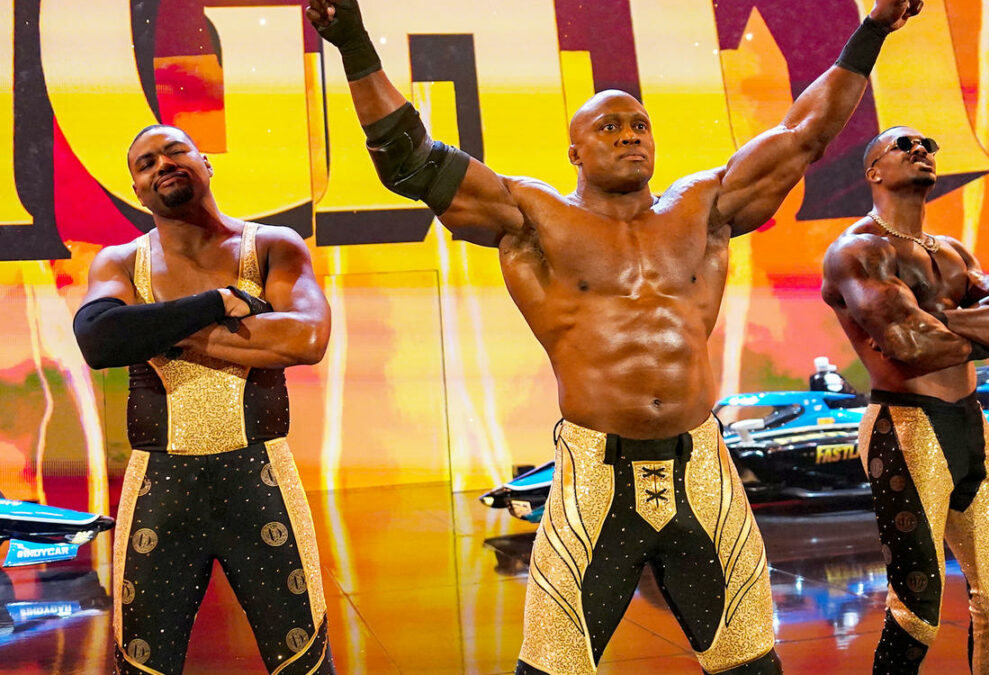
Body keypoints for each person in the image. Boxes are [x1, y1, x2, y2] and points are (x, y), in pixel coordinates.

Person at [307, 1, 921, 672]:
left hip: (703, 474)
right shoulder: (532, 217)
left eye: (639, 125)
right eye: (609, 127)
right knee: (552, 666)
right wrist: (353, 42)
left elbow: (804, 133)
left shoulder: (704, 207)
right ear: (575, 151)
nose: (630, 136)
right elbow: (411, 161)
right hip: (594, 480)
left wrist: (872, 29)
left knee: (751, 664)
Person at [73, 125, 334, 674]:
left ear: (206, 162)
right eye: (146, 163)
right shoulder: (119, 262)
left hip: (260, 477)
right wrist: (219, 303)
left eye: (175, 151)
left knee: (304, 662)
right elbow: (99, 341)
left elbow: (306, 339)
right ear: (137, 191)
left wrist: (154, 330)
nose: (162, 165)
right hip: (160, 485)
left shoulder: (273, 246)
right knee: (143, 664)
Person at [821, 126, 989, 673]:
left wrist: (936, 320)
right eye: (904, 145)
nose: (921, 150)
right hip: (906, 428)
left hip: (971, 426)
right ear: (873, 171)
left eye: (929, 146)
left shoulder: (955, 253)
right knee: (917, 614)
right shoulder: (857, 250)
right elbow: (910, 347)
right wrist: (969, 327)